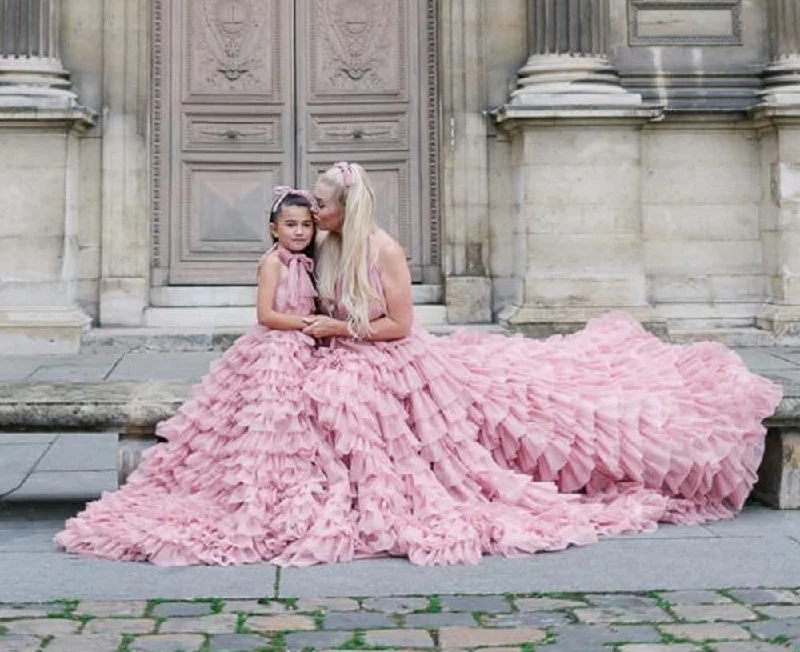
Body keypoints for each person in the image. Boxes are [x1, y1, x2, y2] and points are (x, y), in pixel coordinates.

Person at [56, 163, 782, 567]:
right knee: (313, 398)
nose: (313, 212)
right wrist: (319, 326)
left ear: (346, 209)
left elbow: (400, 324)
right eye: (309, 209)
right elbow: (285, 292)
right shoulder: (320, 248)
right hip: (341, 346)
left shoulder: (385, 250)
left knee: (424, 407)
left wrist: (340, 330)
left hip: (389, 353)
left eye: (324, 205)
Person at [55, 187, 327, 565]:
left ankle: (297, 485)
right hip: (276, 349)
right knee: (268, 417)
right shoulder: (273, 263)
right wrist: (311, 323)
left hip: (305, 347)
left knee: (306, 420)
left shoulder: (310, 263)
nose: (299, 232)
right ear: (273, 229)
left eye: (306, 225)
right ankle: (254, 489)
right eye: (290, 225)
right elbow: (266, 315)